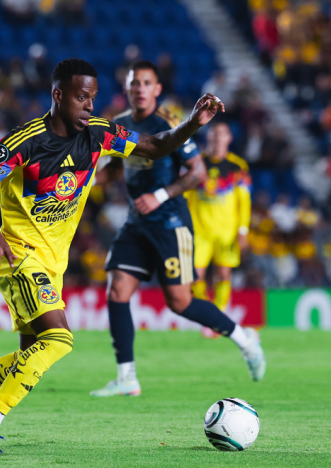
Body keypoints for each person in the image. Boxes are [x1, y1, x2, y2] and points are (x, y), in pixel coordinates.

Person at [0, 58, 224, 454]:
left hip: (53, 263)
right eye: (82, 97)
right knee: (59, 339)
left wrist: (192, 123)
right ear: (58, 95)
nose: (89, 105)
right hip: (18, 255)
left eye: (94, 98)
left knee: (28, 353)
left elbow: (153, 147)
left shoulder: (99, 134)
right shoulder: (24, 141)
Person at [89, 62, 266, 399]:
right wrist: (81, 185)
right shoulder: (121, 125)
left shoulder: (169, 122)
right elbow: (113, 169)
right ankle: (127, 377)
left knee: (180, 302)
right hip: (136, 222)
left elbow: (198, 173)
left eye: (146, 83)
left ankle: (245, 339)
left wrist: (160, 195)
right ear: (127, 89)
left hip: (170, 222)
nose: (140, 88)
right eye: (134, 83)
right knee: (117, 291)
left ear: (157, 89)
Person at [188, 123, 252, 319]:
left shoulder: (238, 166)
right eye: (214, 134)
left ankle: (220, 314)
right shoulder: (197, 164)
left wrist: (243, 230)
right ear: (208, 137)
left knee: (224, 274)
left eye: (221, 134)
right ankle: (209, 314)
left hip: (227, 231)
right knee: (195, 278)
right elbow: (186, 194)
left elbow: (244, 201)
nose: (217, 138)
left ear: (229, 138)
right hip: (199, 230)